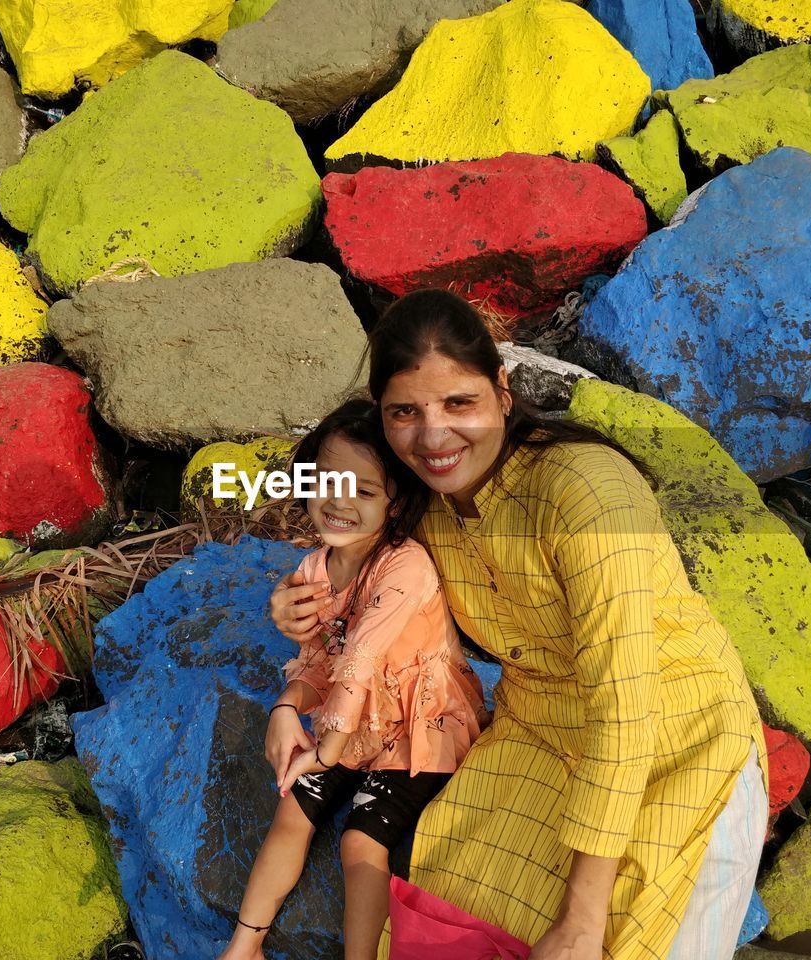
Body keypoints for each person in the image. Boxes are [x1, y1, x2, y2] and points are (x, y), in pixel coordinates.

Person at [270, 290, 769, 960]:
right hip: (536, 730)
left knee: (623, 939)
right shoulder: (431, 501)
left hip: (672, 735)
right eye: (405, 413)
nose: (434, 436)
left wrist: (584, 920)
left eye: (459, 403)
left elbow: (625, 707)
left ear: (503, 393)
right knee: (446, 931)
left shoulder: (586, 492)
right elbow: (354, 565)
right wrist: (294, 607)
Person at [220, 397, 486, 960]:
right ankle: (243, 947)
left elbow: (361, 655)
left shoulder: (405, 565)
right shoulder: (315, 569)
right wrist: (287, 709)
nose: (339, 503)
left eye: (364, 492)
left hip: (419, 725)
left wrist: (330, 747)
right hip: (351, 715)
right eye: (329, 481)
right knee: (292, 808)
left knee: (361, 841)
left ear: (395, 502)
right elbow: (322, 660)